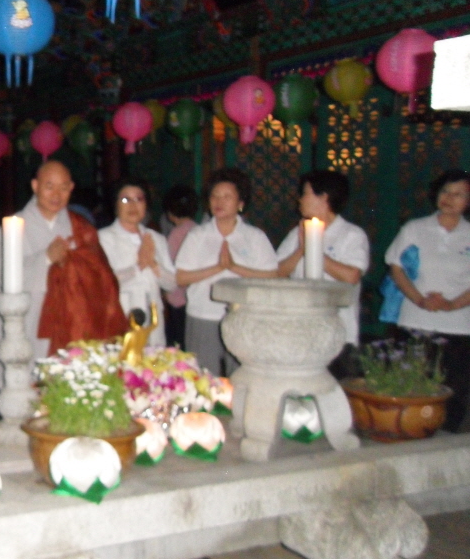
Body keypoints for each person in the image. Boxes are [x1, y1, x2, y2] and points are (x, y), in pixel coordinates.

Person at [0, 161, 125, 389]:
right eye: (49, 186)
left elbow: (102, 279)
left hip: (73, 321)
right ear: (35, 186)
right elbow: (3, 277)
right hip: (30, 323)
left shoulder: (80, 227)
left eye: (63, 187)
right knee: (28, 388)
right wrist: (46, 258)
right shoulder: (11, 228)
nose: (56, 195)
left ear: (71, 188)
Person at [384, 169, 470, 432]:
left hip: (458, 325)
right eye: (445, 191)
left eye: (458, 194)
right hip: (415, 320)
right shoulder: (415, 228)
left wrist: (451, 304)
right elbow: (396, 268)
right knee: (411, 387)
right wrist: (420, 300)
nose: (449, 198)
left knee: (453, 392)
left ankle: (446, 442)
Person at [175, 168, 278, 376]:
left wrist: (234, 267)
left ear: (240, 203)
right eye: (215, 196)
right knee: (204, 377)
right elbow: (181, 277)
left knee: (241, 377)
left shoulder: (254, 237)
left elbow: (272, 276)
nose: (219, 201)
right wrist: (217, 268)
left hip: (244, 316)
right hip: (203, 315)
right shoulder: (198, 235)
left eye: (227, 196)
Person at [276, 170, 369, 380]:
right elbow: (277, 272)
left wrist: (314, 249)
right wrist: (301, 249)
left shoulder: (351, 235)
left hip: (338, 330)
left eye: (305, 193)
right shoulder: (297, 232)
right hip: (300, 327)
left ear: (324, 197)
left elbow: (352, 276)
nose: (300, 200)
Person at [97, 177, 176, 347]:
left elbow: (172, 284)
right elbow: (103, 284)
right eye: (126, 200)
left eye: (139, 199)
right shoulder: (103, 239)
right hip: (120, 317)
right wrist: (139, 266)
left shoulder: (156, 238)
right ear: (116, 205)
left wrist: (153, 264)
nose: (133, 205)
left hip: (153, 321)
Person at [162, 184, 199, 349]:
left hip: (177, 299)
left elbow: (169, 266)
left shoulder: (176, 234)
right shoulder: (199, 230)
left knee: (178, 343)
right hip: (194, 297)